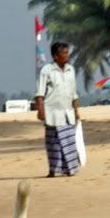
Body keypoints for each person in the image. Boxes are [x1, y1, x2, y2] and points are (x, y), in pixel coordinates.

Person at [35, 41, 81, 177]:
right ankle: (54, 170)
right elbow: (40, 93)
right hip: (52, 113)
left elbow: (73, 93)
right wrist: (40, 110)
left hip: (68, 113)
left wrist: (76, 111)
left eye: (68, 53)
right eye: (64, 53)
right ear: (56, 56)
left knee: (68, 142)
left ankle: (70, 169)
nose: (67, 56)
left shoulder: (70, 70)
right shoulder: (47, 71)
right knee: (53, 143)